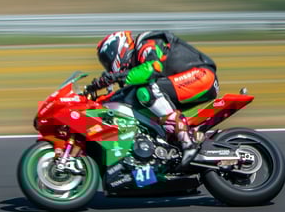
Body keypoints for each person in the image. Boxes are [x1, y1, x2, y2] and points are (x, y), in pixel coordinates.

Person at [91, 30, 219, 166]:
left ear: (117, 49)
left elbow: (152, 68)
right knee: (138, 100)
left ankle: (187, 143)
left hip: (201, 75)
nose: (107, 65)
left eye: (107, 59)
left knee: (146, 92)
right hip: (184, 83)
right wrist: (98, 100)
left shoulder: (146, 44)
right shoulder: (137, 63)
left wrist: (114, 77)